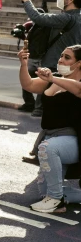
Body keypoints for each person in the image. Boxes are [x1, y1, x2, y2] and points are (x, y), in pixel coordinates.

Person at [18, 45, 81, 213]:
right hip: (51, 138)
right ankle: (59, 196)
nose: (61, 59)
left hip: (73, 141)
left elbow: (77, 89)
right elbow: (29, 85)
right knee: (44, 192)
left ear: (79, 63)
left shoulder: (69, 81)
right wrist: (23, 64)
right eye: (61, 55)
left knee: (48, 148)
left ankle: (56, 201)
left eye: (67, 57)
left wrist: (53, 78)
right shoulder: (55, 79)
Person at [19, 0, 81, 118]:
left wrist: (26, 0)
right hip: (73, 67)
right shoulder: (78, 18)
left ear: (70, 0)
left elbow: (38, 17)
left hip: (55, 64)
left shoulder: (67, 18)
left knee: (46, 102)